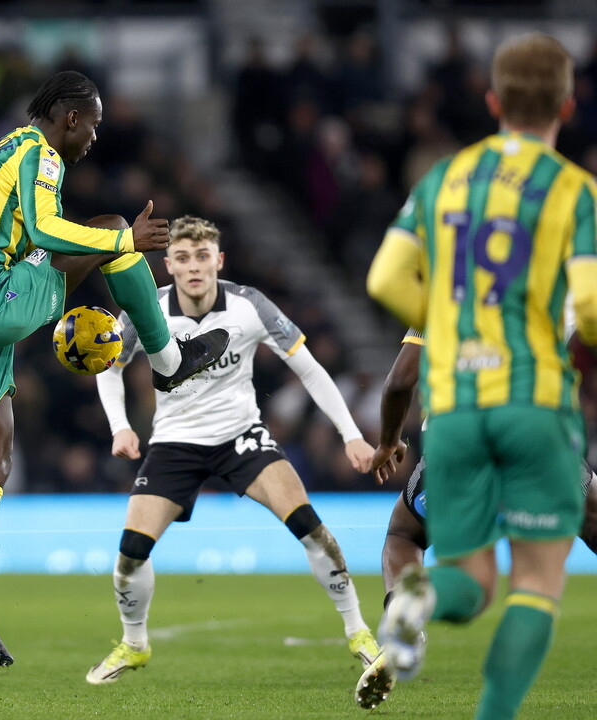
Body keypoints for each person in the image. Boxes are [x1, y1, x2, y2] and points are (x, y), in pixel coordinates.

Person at [0, 72, 230, 667]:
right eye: (93, 125)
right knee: (111, 230)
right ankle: (170, 361)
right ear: (70, 118)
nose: (94, 137)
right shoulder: (39, 154)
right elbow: (46, 229)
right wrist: (124, 243)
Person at [366, 33, 597, 720]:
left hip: (457, 417)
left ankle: (415, 601)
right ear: (568, 105)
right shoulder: (573, 190)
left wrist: (453, 323)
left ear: (494, 102)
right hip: (534, 407)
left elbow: (384, 281)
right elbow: (589, 307)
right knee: (536, 581)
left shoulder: (443, 180)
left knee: (464, 576)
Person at [85, 215, 381, 685]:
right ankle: (134, 643)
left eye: (202, 256)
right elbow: (109, 366)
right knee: (131, 553)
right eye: (183, 258)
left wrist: (350, 433)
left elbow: (308, 368)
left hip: (241, 437)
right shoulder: (147, 306)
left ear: (218, 260)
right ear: (169, 265)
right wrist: (120, 427)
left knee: (310, 527)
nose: (194, 266)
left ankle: (359, 632)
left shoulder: (249, 305)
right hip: (174, 442)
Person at [354, 330, 597, 710]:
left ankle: (407, 604)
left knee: (406, 536)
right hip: (532, 430)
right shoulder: (541, 292)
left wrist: (387, 442)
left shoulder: (436, 300)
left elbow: (400, 381)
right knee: (541, 574)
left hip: (457, 440)